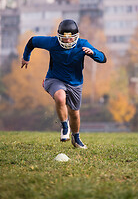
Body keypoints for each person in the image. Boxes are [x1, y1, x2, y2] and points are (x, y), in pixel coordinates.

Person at [21, 19, 107, 149]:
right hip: (55, 79)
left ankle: (76, 139)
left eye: (71, 38)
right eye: (64, 38)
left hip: (75, 83)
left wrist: (93, 53)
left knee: (74, 113)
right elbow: (32, 41)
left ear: (76, 36)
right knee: (60, 98)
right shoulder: (52, 42)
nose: (67, 41)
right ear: (59, 36)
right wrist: (26, 57)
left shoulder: (83, 44)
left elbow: (103, 58)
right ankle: (64, 126)